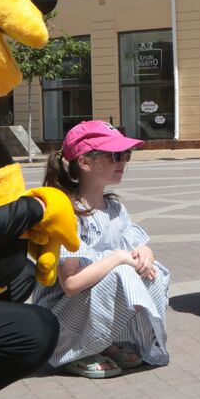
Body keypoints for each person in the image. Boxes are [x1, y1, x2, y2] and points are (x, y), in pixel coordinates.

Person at [32, 122, 169, 379]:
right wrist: (118, 257)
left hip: (86, 303)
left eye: (126, 154)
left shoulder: (114, 209)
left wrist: (144, 252)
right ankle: (74, 351)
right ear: (85, 162)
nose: (123, 161)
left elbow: (132, 245)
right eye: (115, 155)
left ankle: (104, 342)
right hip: (61, 314)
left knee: (153, 273)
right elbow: (71, 283)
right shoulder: (67, 213)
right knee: (122, 274)